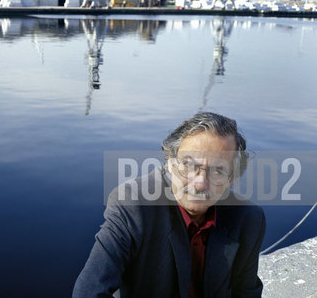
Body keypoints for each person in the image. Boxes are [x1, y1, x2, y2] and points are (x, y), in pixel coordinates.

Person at [73, 112, 266, 298]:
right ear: (170, 163)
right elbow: (89, 292)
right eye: (189, 165)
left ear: (231, 180)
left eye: (217, 171)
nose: (200, 182)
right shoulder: (133, 204)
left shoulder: (248, 218)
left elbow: (246, 292)